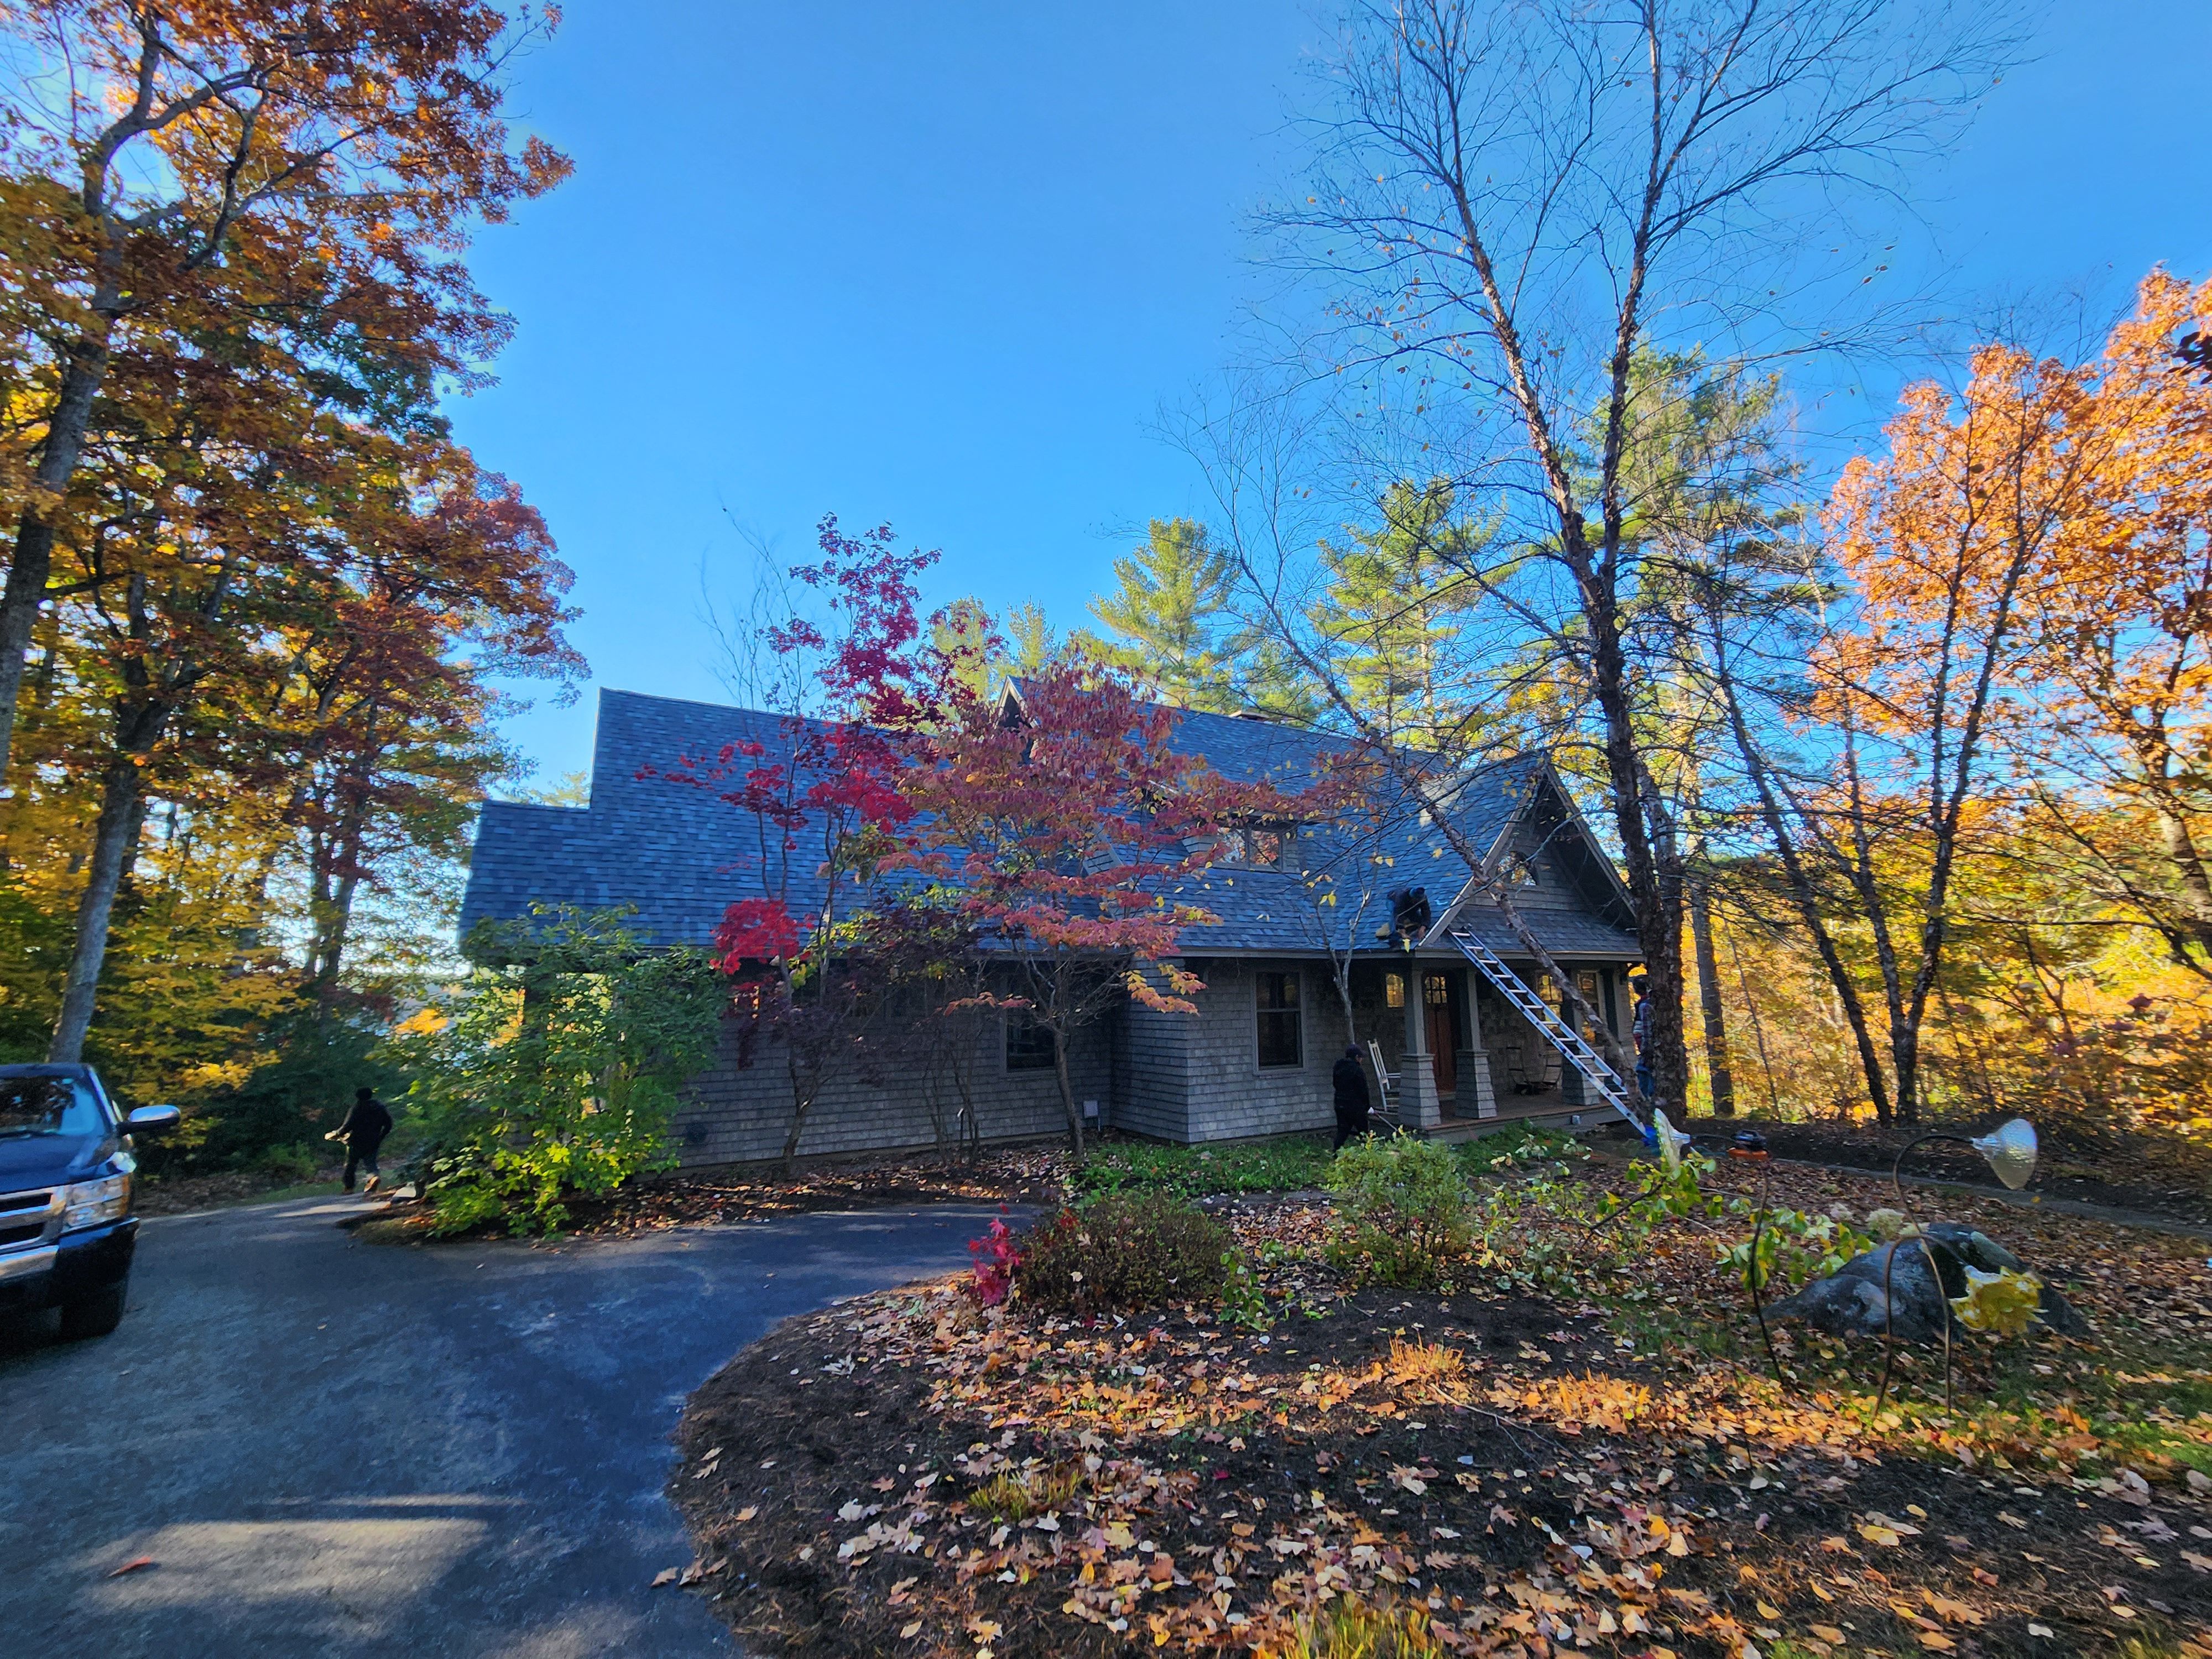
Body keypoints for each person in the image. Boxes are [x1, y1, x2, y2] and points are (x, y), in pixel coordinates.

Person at [327, 1086, 394, 1194]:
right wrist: (381, 1137)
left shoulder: (357, 1108)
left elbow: (348, 1126)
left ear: (357, 1096)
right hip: (374, 1140)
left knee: (351, 1164)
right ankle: (374, 1178)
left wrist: (337, 1134)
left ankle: (349, 1188)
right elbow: (389, 1124)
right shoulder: (380, 1107)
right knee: (370, 1162)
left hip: (356, 1141)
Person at [1331, 1045, 1372, 1150]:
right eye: (1361, 1057)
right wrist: (1368, 1107)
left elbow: (1335, 1084)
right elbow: (1363, 1091)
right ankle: (1370, 1155)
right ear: (1357, 1057)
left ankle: (1336, 1154)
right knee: (1364, 1132)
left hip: (1340, 1104)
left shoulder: (1338, 1068)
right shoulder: (1358, 1071)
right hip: (1355, 1107)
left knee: (1343, 1132)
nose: (1362, 1060)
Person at [1629, 974, 1655, 1105]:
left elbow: (1647, 1031)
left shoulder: (1645, 1006)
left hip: (1647, 1051)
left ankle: (1648, 1105)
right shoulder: (1643, 1004)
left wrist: (1646, 1051)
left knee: (1644, 1074)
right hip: (1644, 1050)